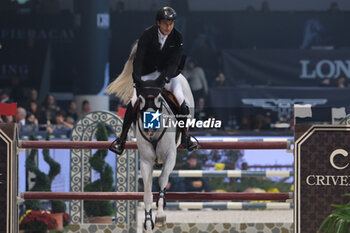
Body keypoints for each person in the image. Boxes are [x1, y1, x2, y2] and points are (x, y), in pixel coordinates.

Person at [109, 6, 198, 154]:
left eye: (171, 23)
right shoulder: (147, 35)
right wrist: (137, 79)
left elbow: (174, 62)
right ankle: (121, 140)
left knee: (181, 100)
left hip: (167, 75)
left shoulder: (178, 37)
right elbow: (139, 60)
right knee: (133, 101)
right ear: (158, 23)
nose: (168, 26)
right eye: (165, 23)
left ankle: (185, 137)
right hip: (148, 74)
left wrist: (164, 79)